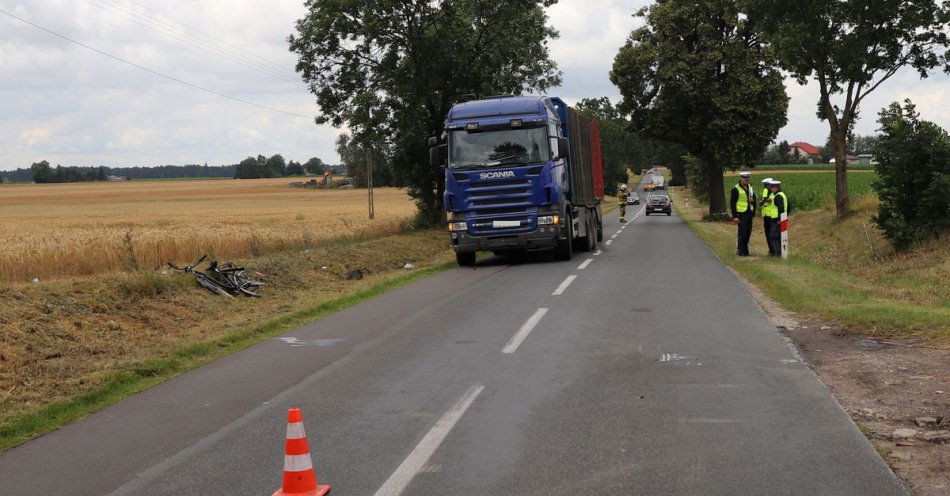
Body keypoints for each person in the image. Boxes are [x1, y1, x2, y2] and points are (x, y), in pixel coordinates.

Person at [729, 171, 756, 256]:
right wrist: (735, 217)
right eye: (745, 178)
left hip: (749, 212)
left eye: (747, 178)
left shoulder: (750, 188)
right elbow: (732, 203)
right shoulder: (736, 189)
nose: (746, 180)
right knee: (742, 232)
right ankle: (741, 251)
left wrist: (753, 202)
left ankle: (746, 250)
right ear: (741, 178)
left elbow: (754, 199)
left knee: (748, 232)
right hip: (741, 213)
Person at [765, 180, 790, 257]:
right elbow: (788, 207)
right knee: (780, 238)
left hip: (777, 220)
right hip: (783, 219)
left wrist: (779, 219)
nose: (771, 189)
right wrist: (785, 217)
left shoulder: (778, 197)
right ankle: (781, 254)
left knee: (773, 237)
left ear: (775, 188)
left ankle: (777, 254)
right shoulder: (783, 195)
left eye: (772, 188)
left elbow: (781, 208)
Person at [759, 177, 774, 255]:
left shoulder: (773, 194)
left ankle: (773, 250)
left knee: (770, 234)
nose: (766, 188)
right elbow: (761, 203)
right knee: (767, 234)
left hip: (770, 216)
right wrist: (762, 200)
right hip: (766, 216)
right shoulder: (768, 193)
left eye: (766, 186)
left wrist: (763, 199)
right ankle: (770, 250)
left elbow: (768, 200)